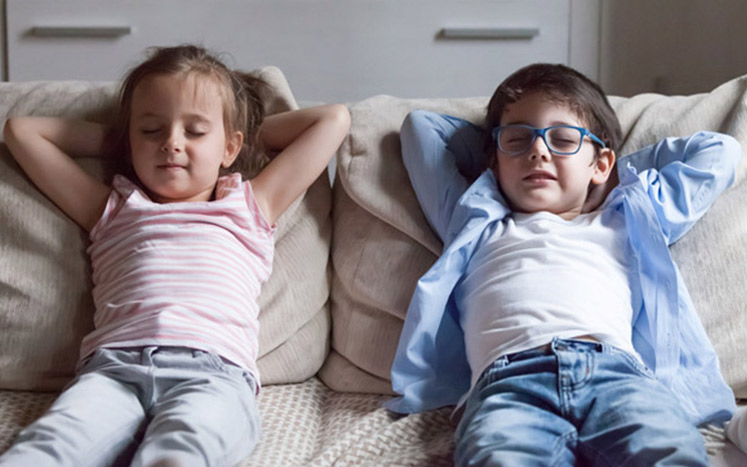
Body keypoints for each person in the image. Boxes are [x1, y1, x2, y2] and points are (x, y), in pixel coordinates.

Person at [0, 44, 349, 467]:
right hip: (113, 372)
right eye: (151, 130)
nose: (171, 143)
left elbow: (333, 120)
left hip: (213, 375)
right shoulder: (112, 209)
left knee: (179, 453)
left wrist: (231, 135)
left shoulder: (250, 206)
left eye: (195, 132)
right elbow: (20, 131)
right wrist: (121, 143)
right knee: (47, 450)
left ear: (229, 147)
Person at [386, 63, 740, 465]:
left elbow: (720, 153)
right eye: (518, 139)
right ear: (493, 162)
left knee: (670, 453)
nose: (538, 150)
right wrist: (496, 153)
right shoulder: (474, 218)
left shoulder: (627, 216)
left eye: (563, 139)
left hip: (618, 377)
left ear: (601, 164)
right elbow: (421, 129)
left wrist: (609, 175)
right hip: (509, 383)